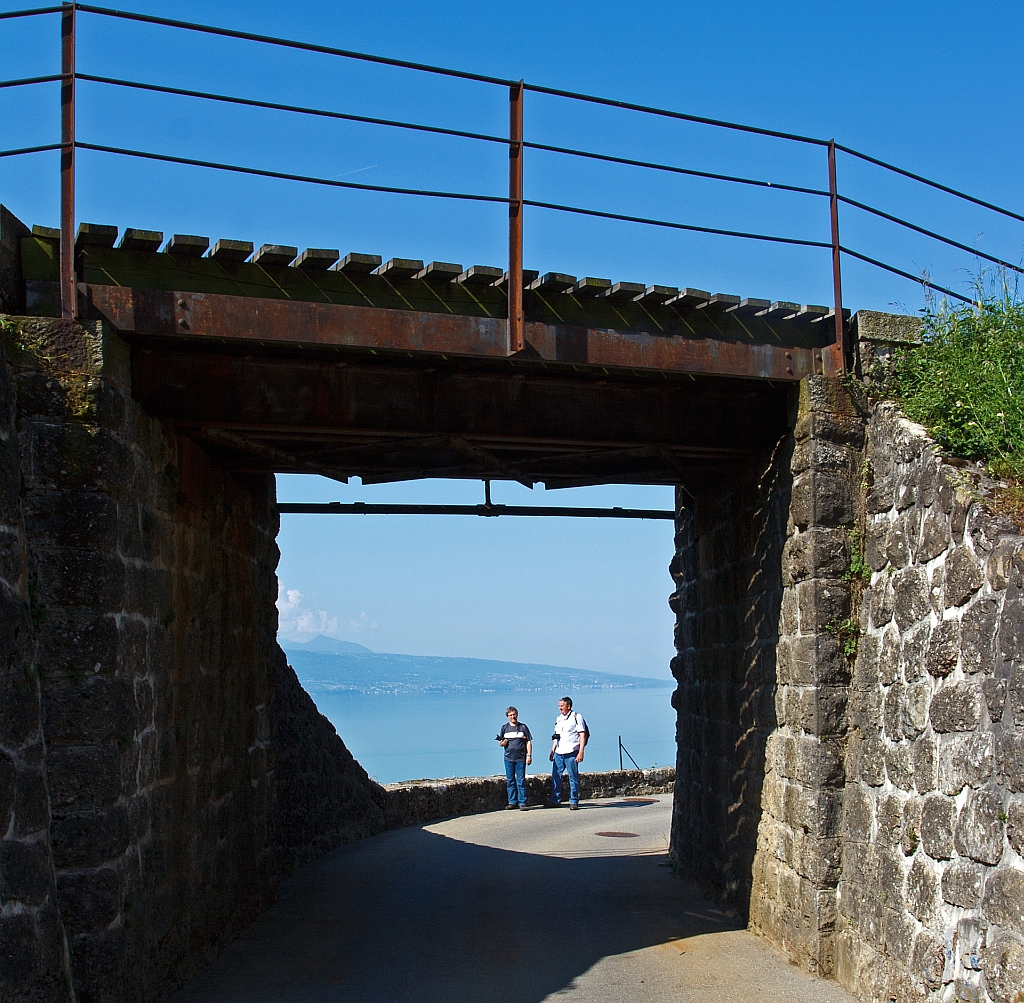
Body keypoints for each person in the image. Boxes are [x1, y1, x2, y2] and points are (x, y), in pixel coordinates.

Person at [548, 696, 587, 810]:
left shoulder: (577, 717)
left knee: (573, 777)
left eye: (561, 706)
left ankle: (574, 801)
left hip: (571, 751)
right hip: (559, 752)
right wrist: (552, 750)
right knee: (556, 776)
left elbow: (582, 735)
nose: (559, 708)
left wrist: (581, 752)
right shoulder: (559, 718)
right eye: (559, 706)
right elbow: (557, 736)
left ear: (568, 706)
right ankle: (555, 800)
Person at [496, 706, 532, 810]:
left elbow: (529, 742)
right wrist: (504, 742)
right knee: (510, 780)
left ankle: (522, 802)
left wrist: (529, 755)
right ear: (507, 716)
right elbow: (501, 743)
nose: (513, 716)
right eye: (511, 715)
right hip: (508, 758)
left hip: (521, 758)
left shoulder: (523, 727)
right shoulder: (504, 728)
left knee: (521, 780)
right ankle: (512, 801)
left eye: (514, 714)